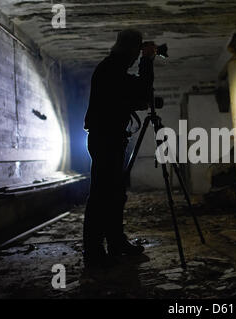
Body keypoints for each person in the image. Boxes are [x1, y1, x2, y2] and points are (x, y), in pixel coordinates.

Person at [83, 29, 157, 267]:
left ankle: (116, 242)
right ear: (130, 50)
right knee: (102, 196)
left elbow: (136, 99)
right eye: (136, 52)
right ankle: (94, 253)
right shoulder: (110, 71)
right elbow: (142, 91)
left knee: (114, 194)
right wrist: (147, 61)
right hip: (106, 140)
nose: (137, 57)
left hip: (110, 140)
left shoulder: (112, 70)